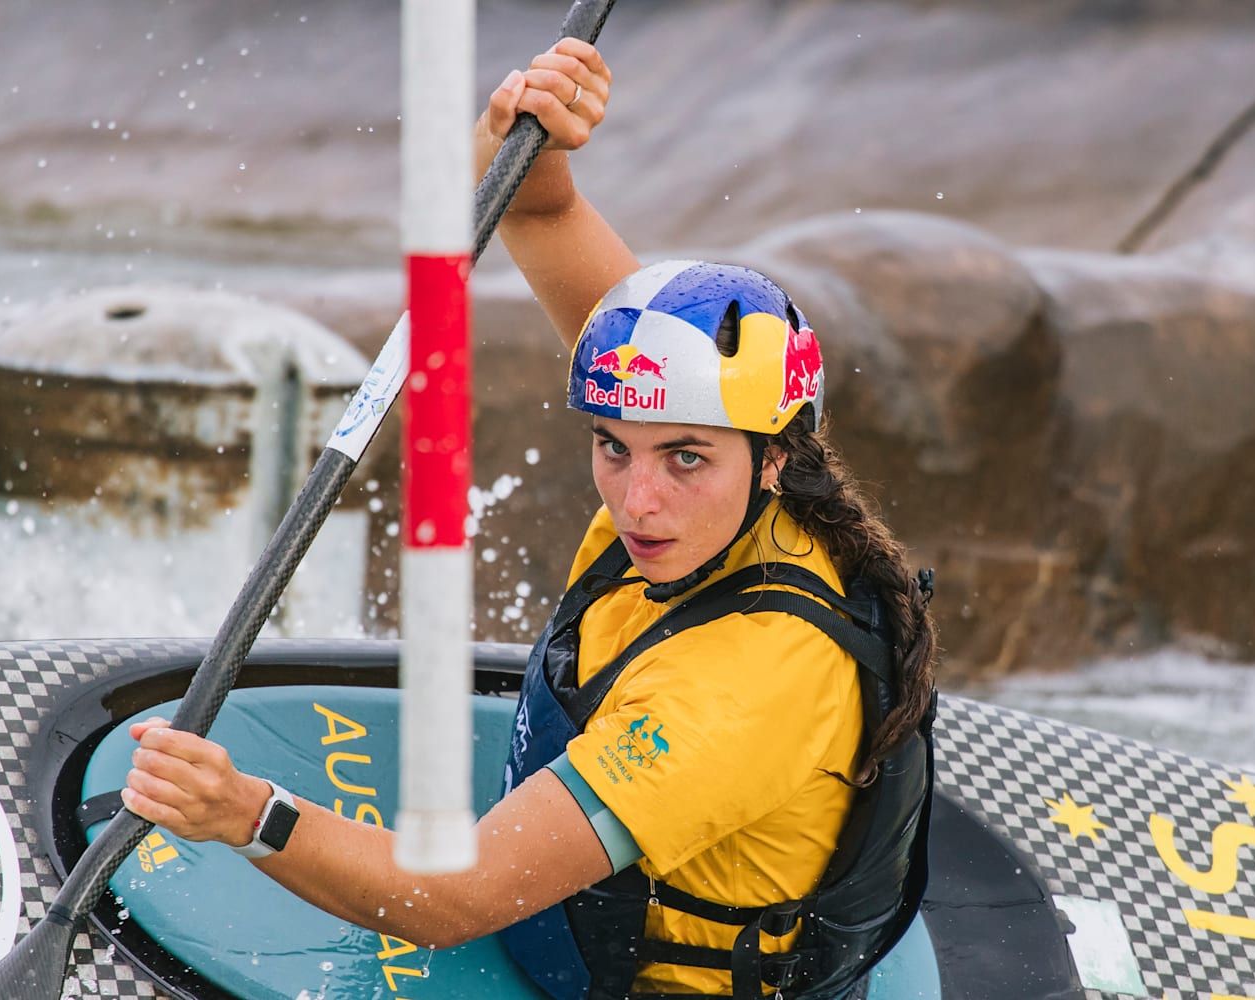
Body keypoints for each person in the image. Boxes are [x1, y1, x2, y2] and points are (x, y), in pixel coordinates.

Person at [121, 39, 937, 1000]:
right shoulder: (700, 424)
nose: (637, 500)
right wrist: (525, 131)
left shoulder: (734, 692)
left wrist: (247, 814)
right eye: (612, 446)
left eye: (685, 459)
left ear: (775, 458)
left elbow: (451, 900)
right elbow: (538, 208)